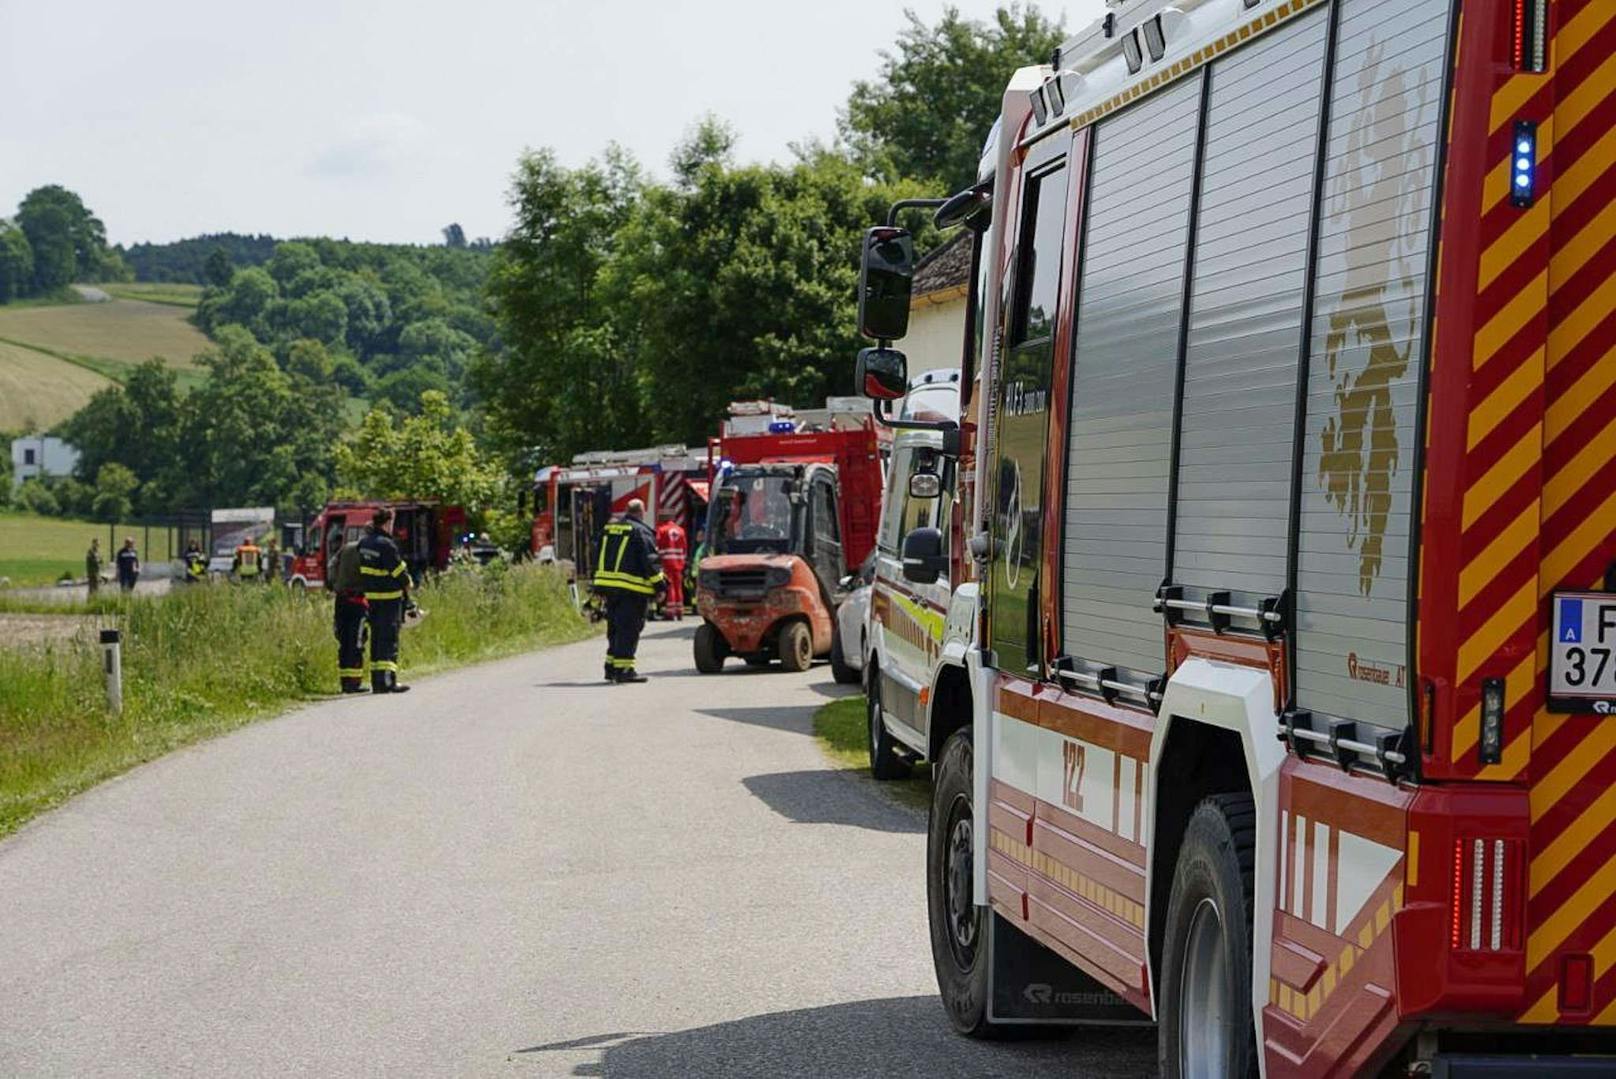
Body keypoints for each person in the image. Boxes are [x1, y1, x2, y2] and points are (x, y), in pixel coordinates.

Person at [593, 498, 664, 683]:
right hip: (632, 591)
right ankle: (624, 670)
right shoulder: (641, 532)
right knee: (629, 629)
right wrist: (660, 586)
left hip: (609, 588)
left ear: (627, 510)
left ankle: (611, 667)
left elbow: (597, 555)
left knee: (615, 628)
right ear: (642, 511)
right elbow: (650, 562)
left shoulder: (608, 530)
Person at [359, 507, 412, 694]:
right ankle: (389, 681)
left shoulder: (364, 543)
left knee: (376, 639)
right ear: (388, 522)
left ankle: (377, 681)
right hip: (390, 599)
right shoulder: (386, 545)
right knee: (389, 640)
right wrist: (408, 584)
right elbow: (398, 572)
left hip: (372, 599)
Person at [328, 532, 369, 693]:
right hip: (357, 601)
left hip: (341, 600)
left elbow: (331, 566)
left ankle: (345, 682)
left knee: (344, 641)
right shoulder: (364, 552)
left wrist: (335, 585)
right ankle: (354, 683)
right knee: (356, 642)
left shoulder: (345, 548)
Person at [655, 514, 688, 620]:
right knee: (678, 587)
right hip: (679, 563)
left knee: (670, 587)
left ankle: (670, 612)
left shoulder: (661, 530)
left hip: (666, 562)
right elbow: (684, 548)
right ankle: (679, 611)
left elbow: (658, 547)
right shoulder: (680, 530)